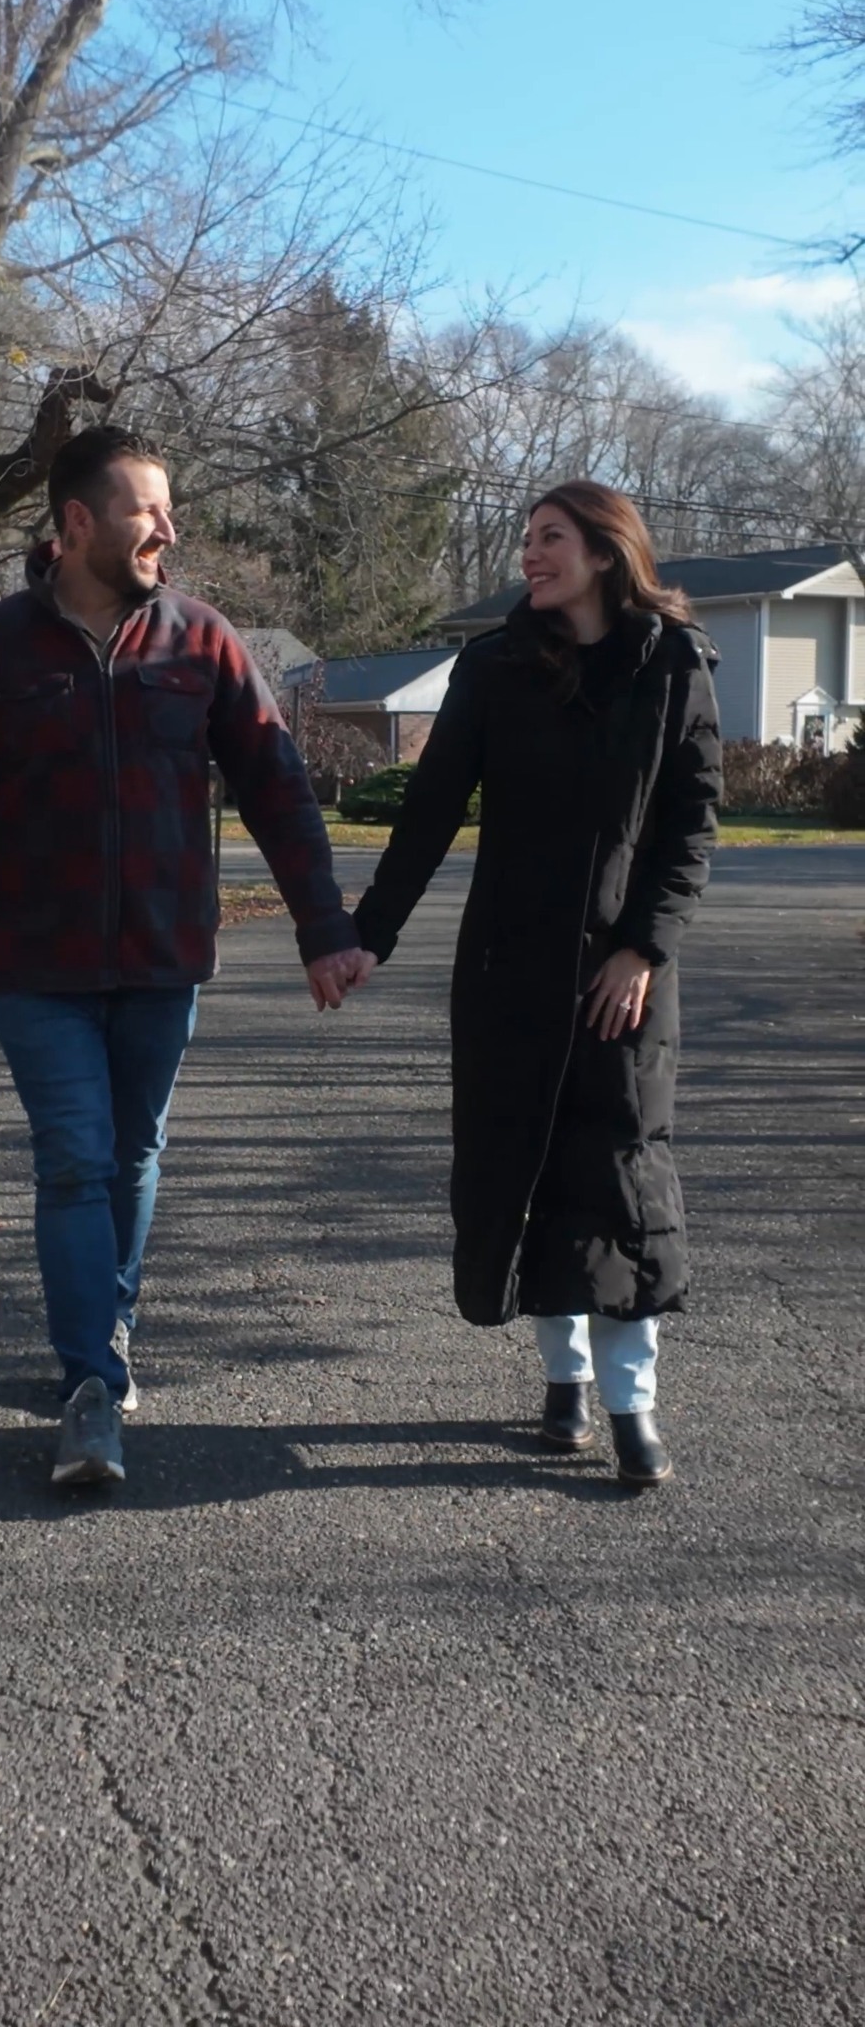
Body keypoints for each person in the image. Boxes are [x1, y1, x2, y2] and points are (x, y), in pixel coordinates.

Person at [0, 424, 366, 1487]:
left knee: (135, 1151)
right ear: (76, 524)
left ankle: (104, 1332)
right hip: (33, 960)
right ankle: (91, 1387)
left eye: (169, 509)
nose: (169, 528)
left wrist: (323, 928)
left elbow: (278, 788)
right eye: (146, 509)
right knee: (74, 1156)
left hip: (162, 956)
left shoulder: (200, 641)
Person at [349, 482, 723, 1486]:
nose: (529, 554)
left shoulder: (675, 663)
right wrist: (366, 938)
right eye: (525, 539)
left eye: (549, 538)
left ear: (605, 552)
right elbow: (429, 812)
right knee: (527, 1170)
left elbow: (692, 825)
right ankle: (562, 1381)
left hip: (624, 980)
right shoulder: (495, 666)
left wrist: (642, 948)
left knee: (622, 1176)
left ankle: (632, 1406)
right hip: (508, 971)